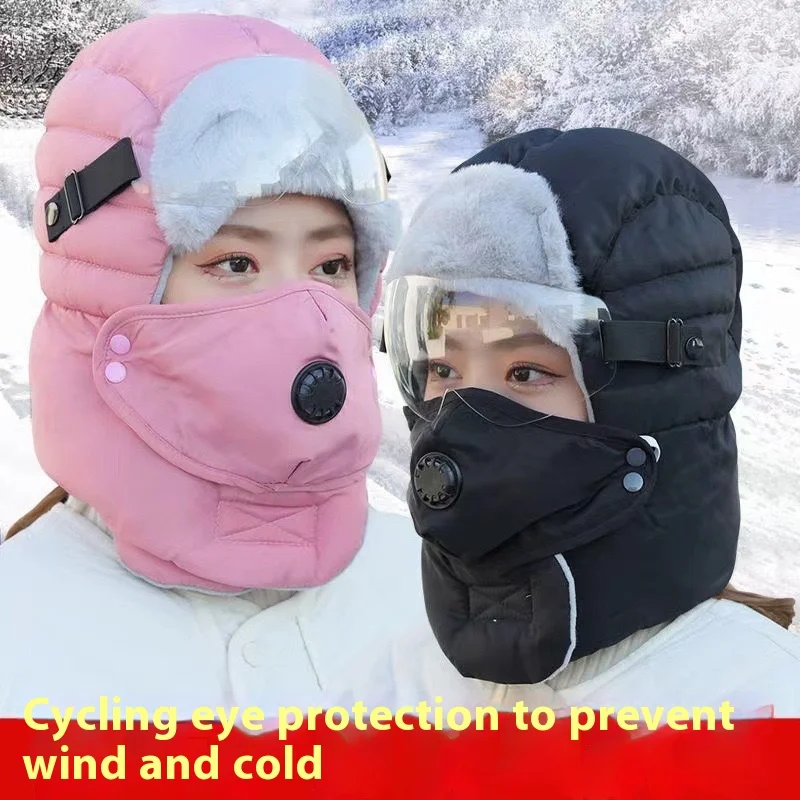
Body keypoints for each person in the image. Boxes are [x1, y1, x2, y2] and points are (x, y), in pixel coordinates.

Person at [0, 13, 550, 721]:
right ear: (105, 283)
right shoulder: (23, 641)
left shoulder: (448, 613)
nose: (303, 317)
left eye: (330, 265)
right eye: (235, 263)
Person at [378, 127, 800, 715]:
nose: (459, 421)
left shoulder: (757, 704)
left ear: (656, 396)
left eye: (525, 372)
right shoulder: (402, 672)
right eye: (442, 370)